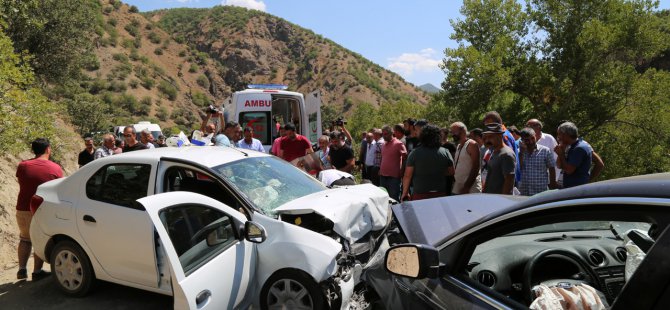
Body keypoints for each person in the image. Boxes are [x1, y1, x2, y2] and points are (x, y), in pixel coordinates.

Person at [15, 138, 63, 280]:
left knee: (24, 239)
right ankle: (37, 272)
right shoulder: (55, 168)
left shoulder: (22, 166)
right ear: (48, 149)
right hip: (41, 208)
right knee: (39, 240)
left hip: (22, 208)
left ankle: (21, 270)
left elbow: (22, 183)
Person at [401, 124, 454, 201]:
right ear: (438, 137)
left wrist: (405, 193)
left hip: (419, 194)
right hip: (440, 193)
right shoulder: (445, 152)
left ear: (422, 136)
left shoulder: (415, 153)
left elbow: (407, 175)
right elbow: (451, 172)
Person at [554, 122, 604, 188]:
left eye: (559, 134)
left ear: (566, 135)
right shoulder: (570, 146)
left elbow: (569, 171)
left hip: (575, 189)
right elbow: (559, 165)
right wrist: (561, 151)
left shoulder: (579, 148)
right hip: (567, 187)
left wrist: (588, 180)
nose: (558, 137)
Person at [483, 111, 520, 185]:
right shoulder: (505, 132)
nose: (488, 128)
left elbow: (507, 160)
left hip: (504, 180)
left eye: (489, 125)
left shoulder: (503, 135)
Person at [518, 128, 557, 196]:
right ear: (522, 140)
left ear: (535, 136)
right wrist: (521, 153)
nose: (531, 142)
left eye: (532, 138)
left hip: (540, 191)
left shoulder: (545, 151)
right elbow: (518, 169)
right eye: (527, 140)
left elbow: (552, 168)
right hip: (524, 191)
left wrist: (552, 184)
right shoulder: (519, 152)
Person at [482, 123, 516, 195]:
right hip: (490, 197)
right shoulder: (494, 151)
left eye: (491, 137)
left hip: (499, 200)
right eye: (486, 137)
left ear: (500, 135)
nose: (487, 140)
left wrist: (502, 201)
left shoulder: (506, 154)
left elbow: (509, 181)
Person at [450, 122, 482, 194]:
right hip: (458, 188)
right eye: (451, 132)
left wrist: (466, 187)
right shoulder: (458, 146)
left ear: (462, 131)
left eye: (454, 132)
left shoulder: (472, 144)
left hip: (471, 189)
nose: (452, 134)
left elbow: (476, 167)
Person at [380, 125, 407, 201]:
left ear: (391, 133)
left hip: (394, 177)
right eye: (383, 134)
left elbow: (405, 158)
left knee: (393, 198)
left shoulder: (398, 144)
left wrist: (402, 170)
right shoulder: (383, 144)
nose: (384, 136)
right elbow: (383, 157)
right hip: (383, 176)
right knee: (384, 198)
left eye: (386, 134)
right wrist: (380, 169)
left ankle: (395, 213)